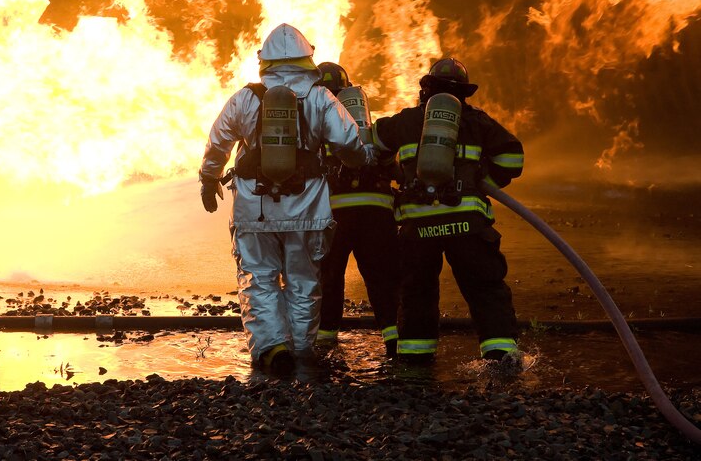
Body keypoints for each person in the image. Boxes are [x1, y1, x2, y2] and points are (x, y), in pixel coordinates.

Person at [198, 24, 374, 373]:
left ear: (265, 61)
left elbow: (218, 141)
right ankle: (301, 351)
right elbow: (348, 142)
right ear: (306, 56)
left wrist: (208, 179)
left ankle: (271, 349)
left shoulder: (246, 98)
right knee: (304, 280)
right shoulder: (321, 97)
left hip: (255, 210)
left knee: (258, 278)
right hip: (307, 209)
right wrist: (362, 160)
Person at [372, 57, 524, 364]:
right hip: (466, 222)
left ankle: (416, 365)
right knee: (485, 290)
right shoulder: (477, 122)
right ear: (464, 93)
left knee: (417, 293)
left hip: (418, 225)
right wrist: (482, 181)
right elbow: (513, 159)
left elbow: (372, 144)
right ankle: (501, 360)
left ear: (426, 90)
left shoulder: (407, 120)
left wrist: (396, 174)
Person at [314, 62, 401, 357]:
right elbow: (394, 167)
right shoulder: (367, 127)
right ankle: (395, 343)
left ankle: (326, 344)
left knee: (330, 277)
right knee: (382, 279)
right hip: (377, 212)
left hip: (334, 215)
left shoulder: (316, 123)